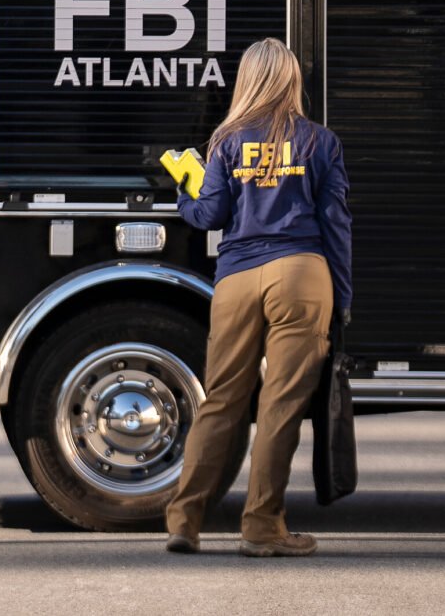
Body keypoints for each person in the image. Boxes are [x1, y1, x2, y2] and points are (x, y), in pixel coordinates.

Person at [163, 37, 351, 558]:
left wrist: (183, 193)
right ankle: (262, 527)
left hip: (237, 279)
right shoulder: (320, 142)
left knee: (222, 400)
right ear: (291, 79)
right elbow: (337, 225)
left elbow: (209, 216)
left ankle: (184, 522)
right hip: (301, 275)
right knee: (280, 405)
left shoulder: (225, 141)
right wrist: (343, 296)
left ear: (246, 81)